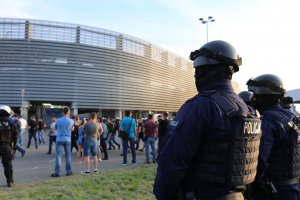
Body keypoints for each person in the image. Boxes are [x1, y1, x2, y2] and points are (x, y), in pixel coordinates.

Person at [154, 40, 262, 200]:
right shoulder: (250, 111)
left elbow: (172, 162)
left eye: (198, 70)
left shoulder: (200, 106)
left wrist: (162, 195)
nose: (196, 75)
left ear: (205, 71)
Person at [247, 74, 300, 200]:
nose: (253, 98)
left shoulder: (268, 120)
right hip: (293, 188)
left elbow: (260, 160)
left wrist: (252, 187)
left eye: (255, 95)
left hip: (274, 191)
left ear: (264, 97)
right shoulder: (290, 118)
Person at [51, 106, 74, 177]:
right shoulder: (71, 121)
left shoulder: (58, 120)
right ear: (68, 112)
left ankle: (57, 172)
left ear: (63, 112)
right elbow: (72, 129)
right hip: (67, 139)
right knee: (68, 156)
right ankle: (68, 171)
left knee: (58, 156)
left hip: (59, 139)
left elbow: (55, 128)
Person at [0, 105, 18, 187]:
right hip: (6, 146)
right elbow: (15, 136)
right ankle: (9, 181)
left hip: (5, 146)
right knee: (7, 165)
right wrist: (13, 147)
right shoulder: (11, 123)